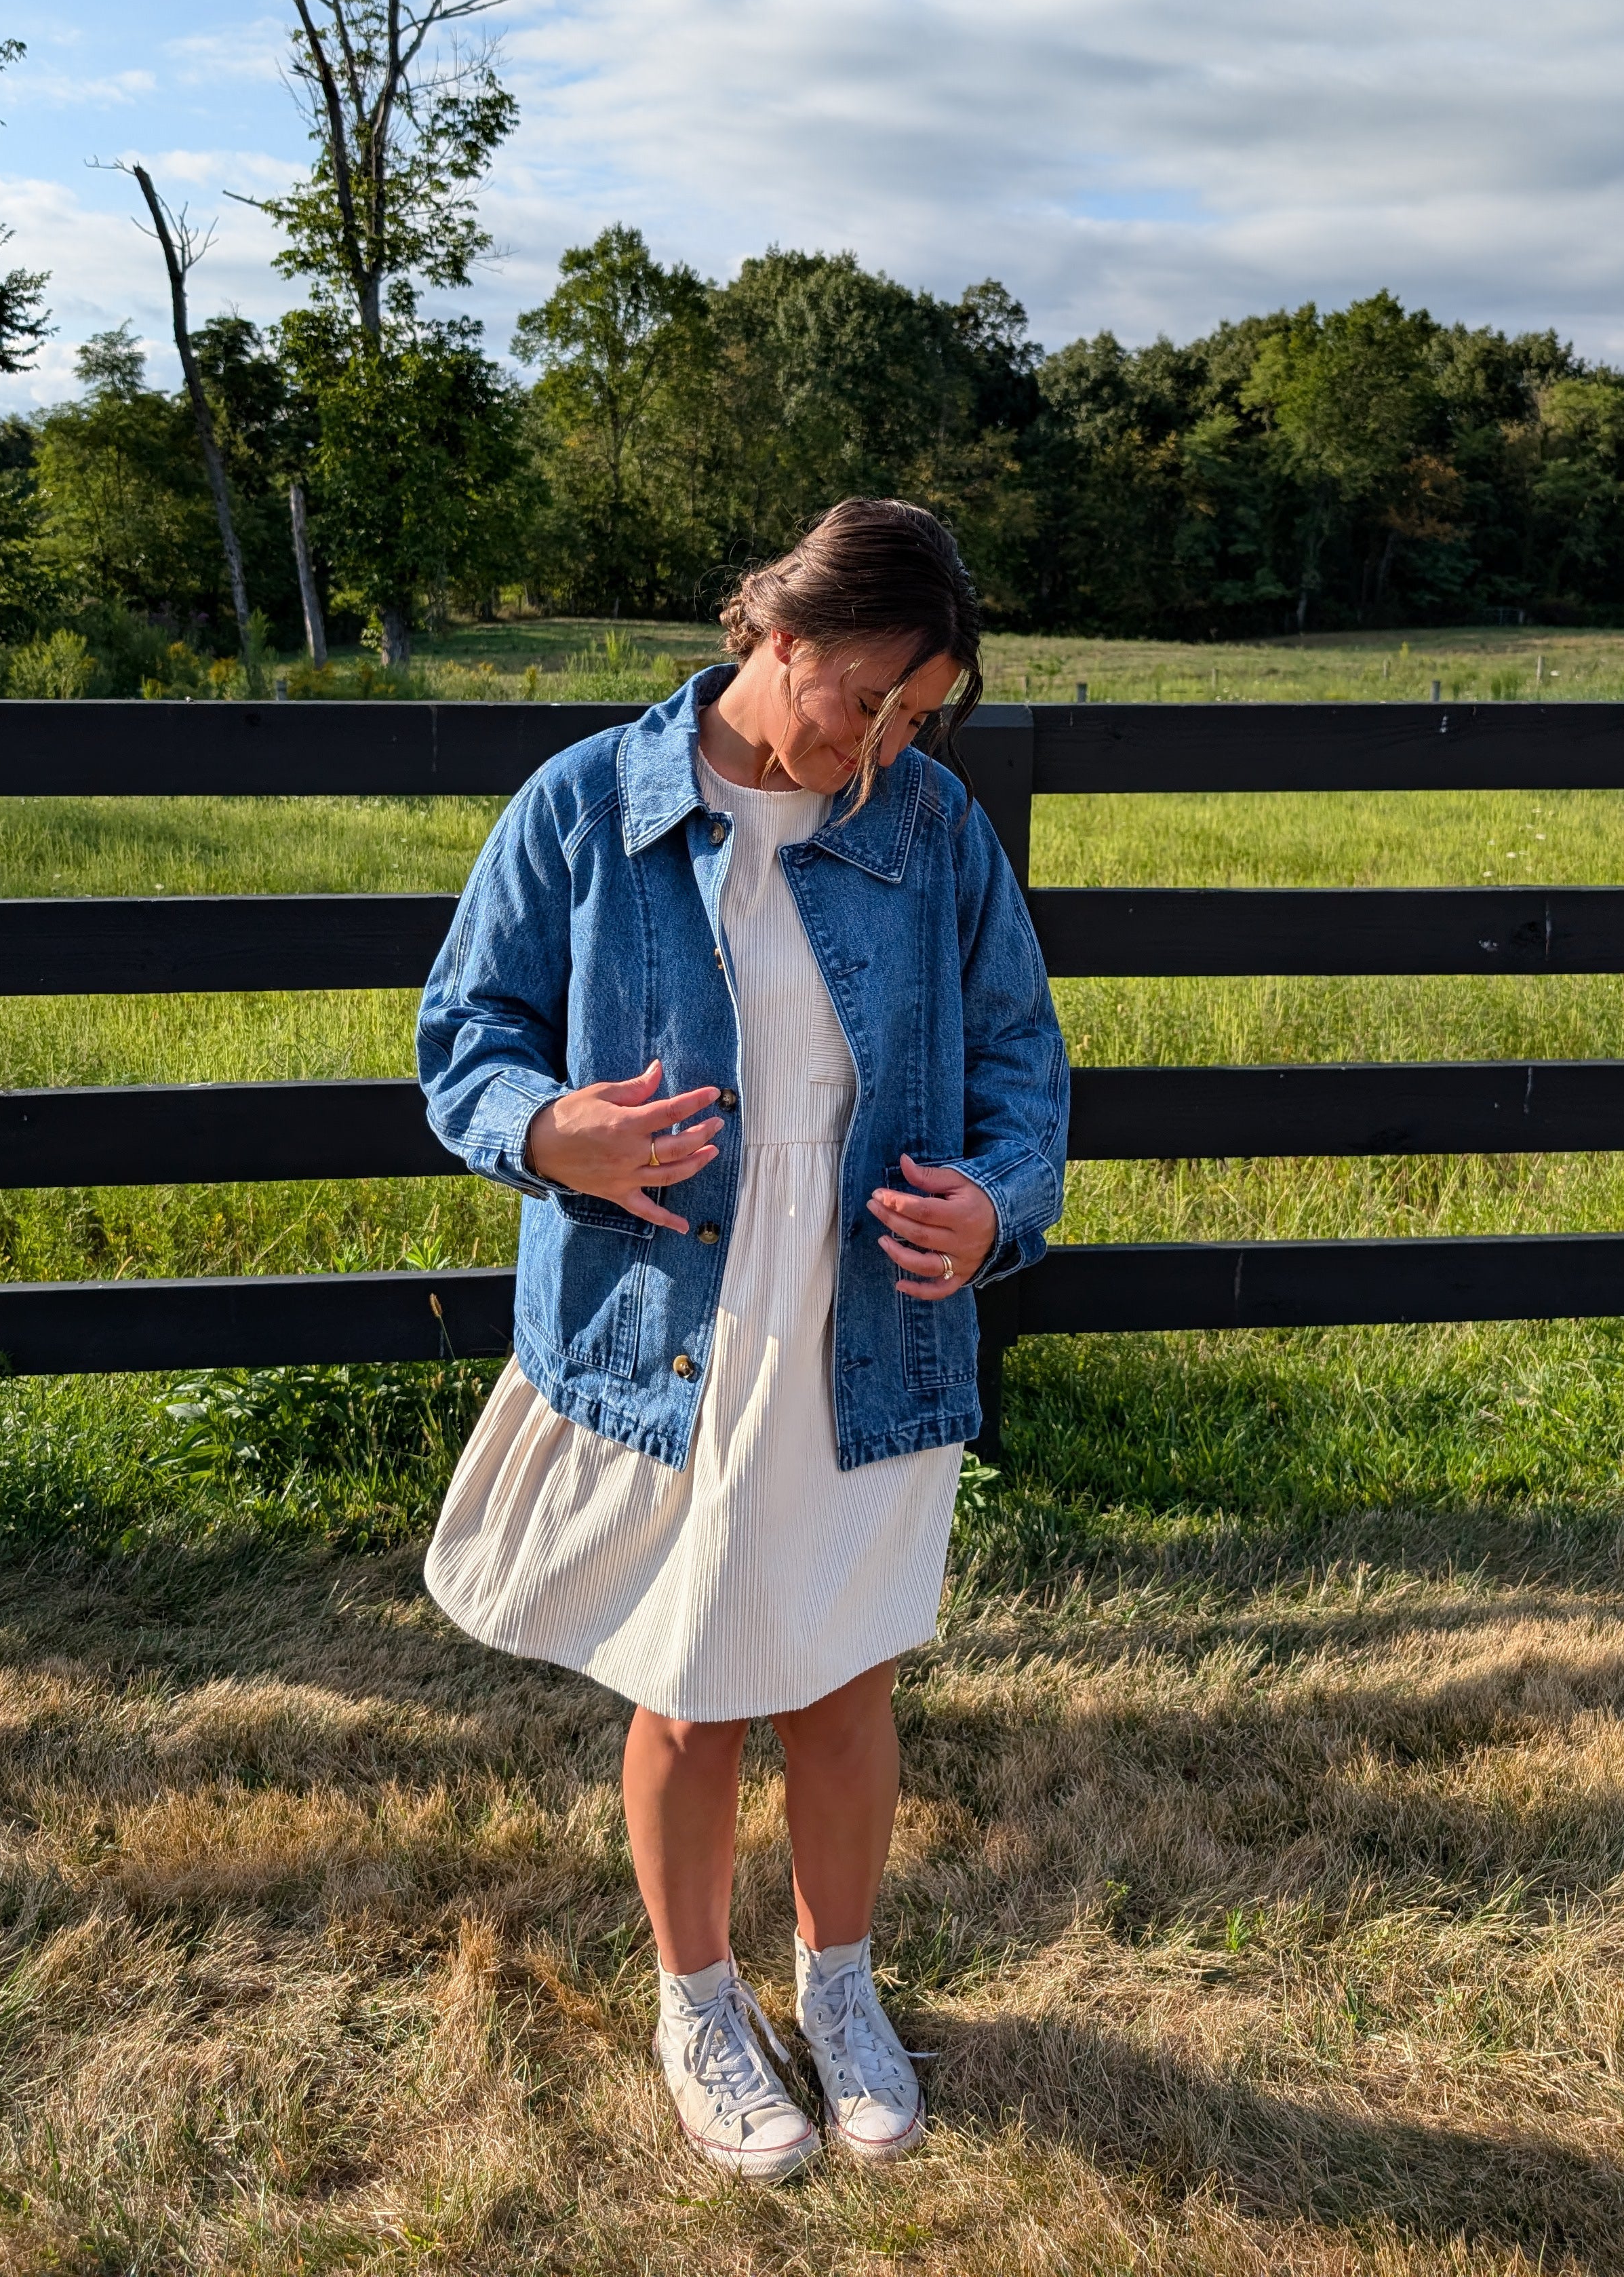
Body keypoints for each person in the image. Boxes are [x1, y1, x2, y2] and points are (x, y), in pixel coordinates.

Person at [418, 498, 1068, 2179]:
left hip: (870, 1318)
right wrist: (554, 1134)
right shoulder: (587, 805)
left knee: (847, 1684)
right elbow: (462, 1038)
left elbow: (1025, 1071)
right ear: (779, 638)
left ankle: (838, 1991)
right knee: (693, 1687)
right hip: (670, 1322)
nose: (893, 740)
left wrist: (997, 1209)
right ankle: (696, 2003)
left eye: (923, 714)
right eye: (872, 697)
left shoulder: (930, 830)